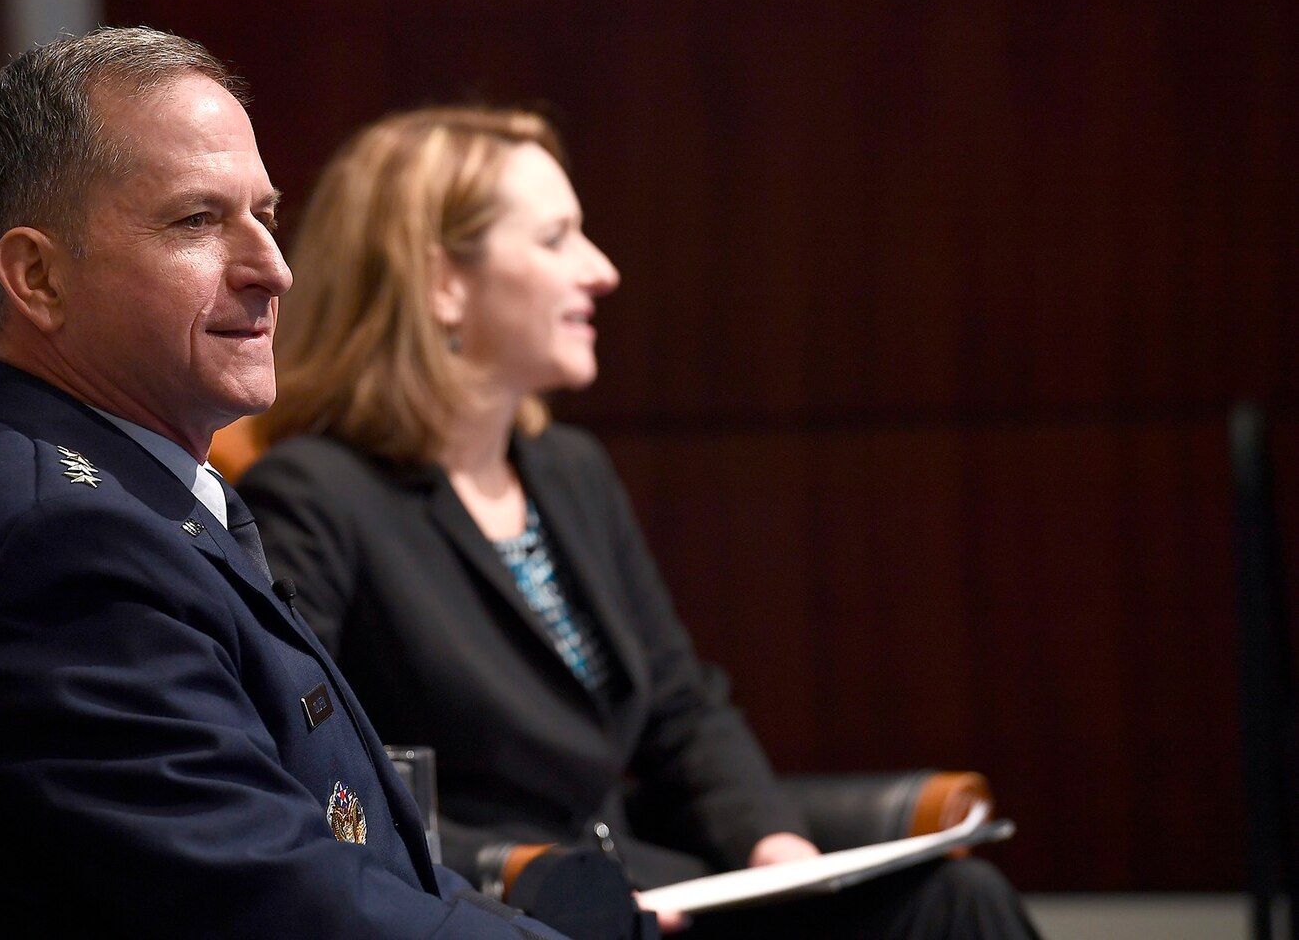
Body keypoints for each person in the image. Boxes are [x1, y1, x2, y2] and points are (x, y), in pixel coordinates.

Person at [238, 106, 1044, 938]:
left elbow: (680, 708)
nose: (603, 271)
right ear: (443, 281)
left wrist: (769, 844)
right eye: (557, 240)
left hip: (658, 890)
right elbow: (317, 774)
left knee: (959, 900)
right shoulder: (316, 497)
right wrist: (536, 879)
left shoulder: (569, 471)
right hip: (510, 914)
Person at [0, 30, 575, 939]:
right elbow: (287, 913)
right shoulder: (64, 550)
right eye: (197, 220)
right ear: (37, 277)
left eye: (264, 214)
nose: (273, 266)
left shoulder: (70, 486)